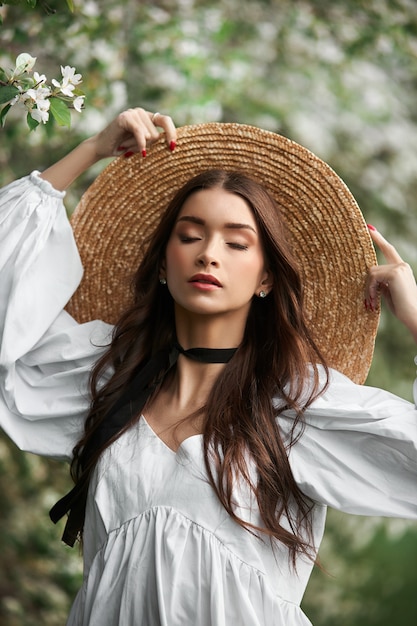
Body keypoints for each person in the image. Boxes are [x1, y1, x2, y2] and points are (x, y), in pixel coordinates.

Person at [0, 107, 416, 626]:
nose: (209, 254)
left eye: (236, 242)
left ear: (265, 279)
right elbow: (7, 324)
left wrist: (416, 317)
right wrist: (90, 150)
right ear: (161, 264)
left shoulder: (294, 405)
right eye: (190, 235)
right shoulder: (109, 378)